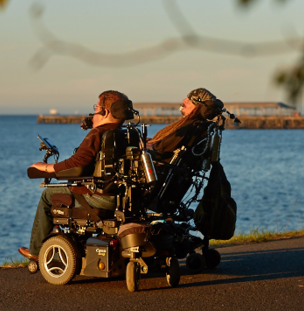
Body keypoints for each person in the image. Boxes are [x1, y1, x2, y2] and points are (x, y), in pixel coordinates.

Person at [18, 90, 131, 261]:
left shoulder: (98, 134)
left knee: (48, 194)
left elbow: (77, 165)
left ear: (105, 112)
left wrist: (47, 167)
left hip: (101, 197)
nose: (94, 112)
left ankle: (36, 250)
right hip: (123, 196)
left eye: (97, 107)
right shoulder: (127, 134)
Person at [147, 87, 223, 162]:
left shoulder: (190, 126)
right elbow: (168, 144)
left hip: (161, 167)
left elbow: (160, 149)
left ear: (198, 107)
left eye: (189, 101)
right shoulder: (200, 126)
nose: (184, 101)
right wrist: (151, 141)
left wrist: (141, 143)